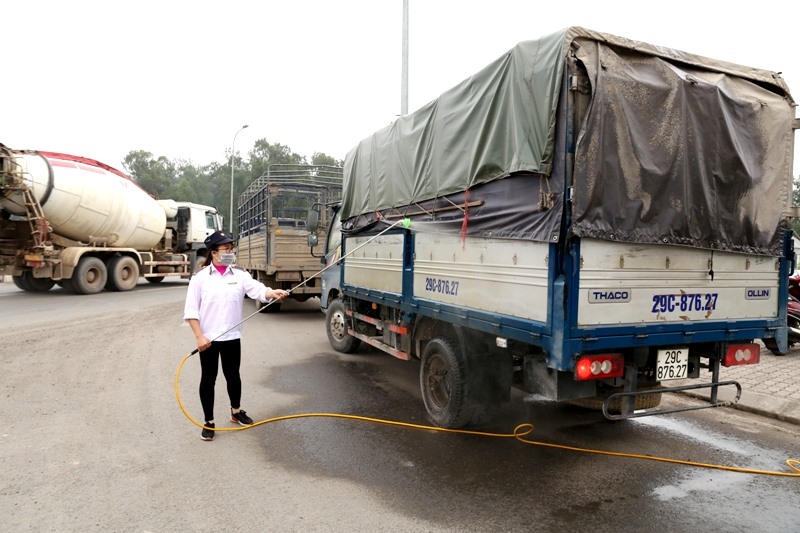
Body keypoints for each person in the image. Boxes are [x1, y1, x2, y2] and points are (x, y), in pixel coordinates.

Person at [183, 229, 288, 441]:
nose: (231, 252)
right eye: (226, 249)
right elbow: (191, 311)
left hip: (232, 338)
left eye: (232, 248)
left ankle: (235, 411)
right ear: (213, 252)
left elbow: (258, 290)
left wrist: (272, 293)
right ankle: (209, 422)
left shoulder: (239, 275)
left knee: (233, 376)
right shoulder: (200, 278)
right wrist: (199, 337)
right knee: (208, 379)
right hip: (209, 340)